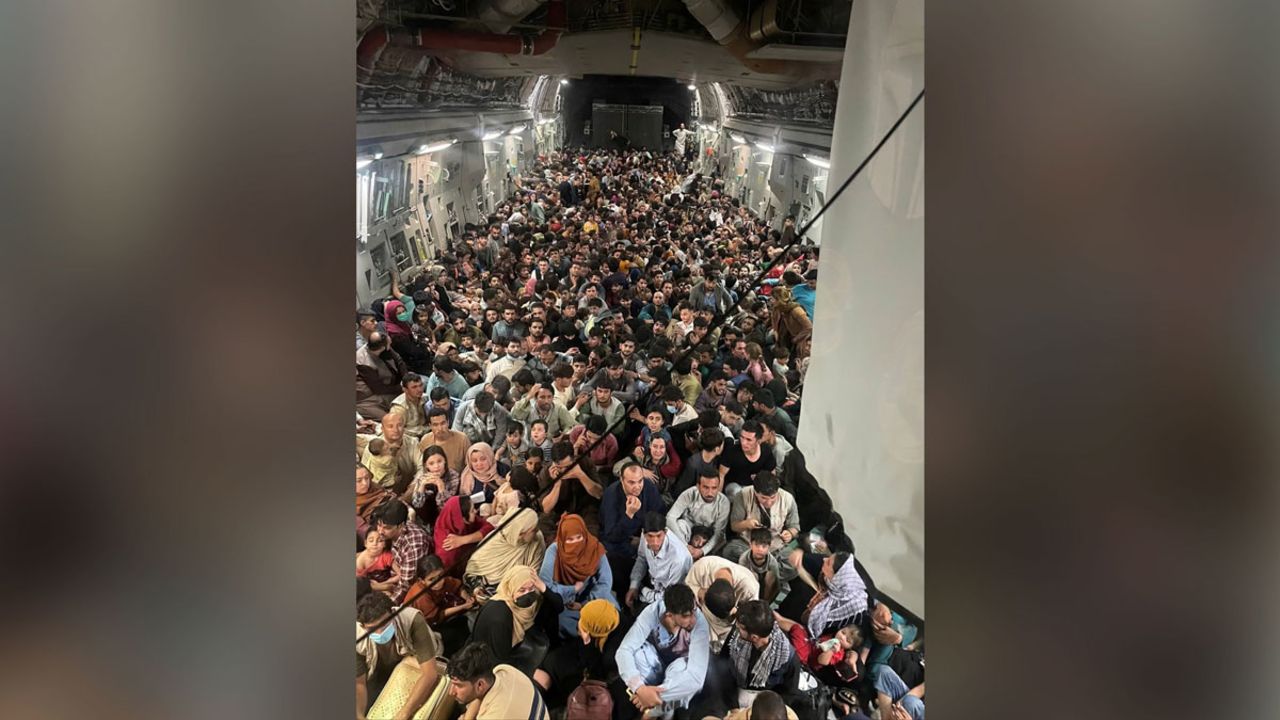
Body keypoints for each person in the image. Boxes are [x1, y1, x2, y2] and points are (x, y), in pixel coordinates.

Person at [615, 584, 710, 719]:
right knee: (638, 653)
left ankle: (656, 711)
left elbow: (696, 679)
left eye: (694, 611)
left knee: (683, 667)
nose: (693, 619)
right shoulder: (652, 612)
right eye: (686, 616)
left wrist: (656, 697)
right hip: (654, 666)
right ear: (670, 614)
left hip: (676, 678)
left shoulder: (699, 623)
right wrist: (639, 689)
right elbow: (624, 650)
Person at [356, 589, 442, 720]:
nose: (379, 632)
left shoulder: (411, 620)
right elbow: (359, 684)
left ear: (393, 614)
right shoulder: (356, 638)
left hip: (413, 666)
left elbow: (430, 673)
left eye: (384, 624)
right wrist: (359, 715)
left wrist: (404, 713)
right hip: (378, 671)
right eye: (372, 628)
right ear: (363, 626)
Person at [534, 598, 628, 707]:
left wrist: (586, 641)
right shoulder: (612, 618)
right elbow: (598, 617)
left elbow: (595, 673)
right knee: (549, 663)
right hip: (584, 649)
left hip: (589, 673)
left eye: (584, 627)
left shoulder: (611, 657)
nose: (579, 625)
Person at [538, 513, 617, 638]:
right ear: (563, 539)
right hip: (566, 601)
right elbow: (545, 584)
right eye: (569, 540)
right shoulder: (554, 551)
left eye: (579, 537)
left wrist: (584, 603)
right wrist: (572, 589)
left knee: (611, 612)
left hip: (592, 597)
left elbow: (605, 582)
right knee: (561, 622)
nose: (575, 543)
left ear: (584, 534)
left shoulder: (594, 548)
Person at [468, 564, 561, 664]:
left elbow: (559, 606)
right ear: (511, 588)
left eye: (531, 588)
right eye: (522, 590)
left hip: (528, 644)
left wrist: (542, 587)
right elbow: (500, 657)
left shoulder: (535, 599)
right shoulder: (500, 615)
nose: (527, 593)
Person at [600, 464, 666, 597]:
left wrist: (643, 538)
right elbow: (611, 535)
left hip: (644, 535)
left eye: (640, 481)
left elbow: (660, 513)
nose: (637, 486)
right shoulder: (611, 495)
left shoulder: (648, 487)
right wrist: (628, 515)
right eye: (631, 482)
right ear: (621, 480)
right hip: (619, 540)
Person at [723, 472, 799, 581]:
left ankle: (757, 574)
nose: (768, 502)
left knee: (795, 564)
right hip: (749, 544)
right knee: (729, 551)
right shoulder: (743, 495)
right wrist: (747, 524)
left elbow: (794, 526)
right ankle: (766, 574)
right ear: (755, 492)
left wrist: (790, 533)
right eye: (763, 498)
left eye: (773, 498)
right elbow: (734, 526)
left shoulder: (788, 498)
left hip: (775, 546)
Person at [721, 600, 797, 708]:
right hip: (732, 690)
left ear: (754, 637)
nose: (736, 628)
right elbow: (723, 662)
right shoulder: (737, 635)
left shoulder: (787, 657)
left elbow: (789, 694)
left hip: (762, 701)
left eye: (740, 628)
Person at [446, 642, 550, 720]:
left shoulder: (495, 716)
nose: (451, 692)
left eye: (458, 686)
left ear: (480, 685)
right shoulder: (504, 670)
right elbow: (479, 696)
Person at [464, 506, 546, 598]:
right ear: (519, 534)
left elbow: (533, 578)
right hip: (488, 591)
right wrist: (477, 589)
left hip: (516, 593)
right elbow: (473, 572)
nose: (538, 530)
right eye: (533, 530)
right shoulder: (493, 541)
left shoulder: (536, 541)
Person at [685, 556, 761, 652]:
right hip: (703, 613)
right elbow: (688, 585)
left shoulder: (750, 587)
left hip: (732, 623)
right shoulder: (702, 567)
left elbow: (751, 616)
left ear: (734, 592)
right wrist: (699, 592)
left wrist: (736, 613)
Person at [406, 554, 477, 656]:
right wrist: (463, 606)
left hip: (438, 617)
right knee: (457, 635)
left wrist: (467, 598)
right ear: (421, 581)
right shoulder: (420, 595)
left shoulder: (444, 581)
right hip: (423, 628)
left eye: (440, 576)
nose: (438, 582)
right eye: (431, 579)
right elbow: (437, 616)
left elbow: (456, 586)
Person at [627, 512, 693, 611]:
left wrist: (643, 591)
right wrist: (634, 586)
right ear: (643, 532)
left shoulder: (679, 558)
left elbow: (672, 594)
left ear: (665, 532)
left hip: (668, 594)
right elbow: (642, 558)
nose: (654, 542)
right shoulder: (644, 536)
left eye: (658, 536)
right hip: (652, 580)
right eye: (650, 536)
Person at [665, 468, 731, 558]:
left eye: (714, 488)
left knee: (722, 539)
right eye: (706, 487)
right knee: (679, 525)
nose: (710, 493)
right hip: (687, 532)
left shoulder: (724, 502)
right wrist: (685, 545)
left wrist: (702, 551)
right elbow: (670, 518)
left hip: (709, 534)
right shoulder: (689, 494)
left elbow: (718, 532)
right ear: (698, 486)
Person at [375, 500, 430, 603]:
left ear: (400, 526)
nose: (380, 531)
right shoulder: (392, 527)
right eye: (379, 525)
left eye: (387, 528)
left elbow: (405, 587)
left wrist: (386, 609)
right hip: (392, 575)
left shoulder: (413, 546)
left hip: (409, 589)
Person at [432, 494, 494, 573]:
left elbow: (489, 527)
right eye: (472, 511)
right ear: (461, 518)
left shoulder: (460, 519)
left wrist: (464, 540)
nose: (475, 511)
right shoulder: (447, 548)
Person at [357, 332, 408, 420]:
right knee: (390, 420)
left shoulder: (383, 346)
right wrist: (402, 388)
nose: (390, 345)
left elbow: (399, 361)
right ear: (382, 347)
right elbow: (379, 389)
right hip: (368, 398)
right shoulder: (363, 362)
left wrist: (406, 380)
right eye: (389, 344)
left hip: (391, 386)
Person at [405, 444, 461, 522]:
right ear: (426, 466)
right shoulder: (422, 477)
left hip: (448, 516)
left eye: (439, 461)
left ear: (445, 461)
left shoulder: (453, 476)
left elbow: (448, 507)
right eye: (431, 463)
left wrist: (441, 488)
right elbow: (417, 505)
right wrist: (421, 487)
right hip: (427, 517)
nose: (436, 466)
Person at [718, 420, 776, 494]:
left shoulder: (766, 450)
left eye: (749, 440)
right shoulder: (732, 451)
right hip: (734, 486)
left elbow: (772, 473)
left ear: (758, 440)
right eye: (742, 437)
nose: (744, 443)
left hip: (756, 486)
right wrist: (718, 498)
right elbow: (721, 475)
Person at [510, 382, 575, 440]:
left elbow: (570, 426)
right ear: (535, 398)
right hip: (532, 447)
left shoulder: (559, 408)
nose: (546, 401)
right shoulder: (529, 407)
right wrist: (529, 396)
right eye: (542, 397)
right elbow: (514, 415)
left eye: (549, 397)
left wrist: (562, 436)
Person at [417, 407, 470, 474]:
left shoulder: (462, 439)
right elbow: (422, 466)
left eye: (443, 423)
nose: (440, 428)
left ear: (448, 422)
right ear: (430, 426)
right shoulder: (425, 440)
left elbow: (469, 466)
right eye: (435, 425)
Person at [458, 441, 505, 516]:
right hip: (475, 517)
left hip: (501, 513)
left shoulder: (502, 470)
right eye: (474, 461)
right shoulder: (467, 475)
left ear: (489, 457)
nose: (479, 464)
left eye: (483, 459)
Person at [739, 528, 783, 606]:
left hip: (766, 587)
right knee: (753, 576)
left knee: (770, 576)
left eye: (764, 546)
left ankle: (763, 604)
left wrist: (768, 600)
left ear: (769, 547)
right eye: (756, 545)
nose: (760, 549)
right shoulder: (744, 559)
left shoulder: (772, 563)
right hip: (750, 585)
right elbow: (741, 579)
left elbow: (777, 585)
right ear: (751, 545)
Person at [356, 462, 396, 544]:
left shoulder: (374, 487)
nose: (365, 483)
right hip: (380, 536)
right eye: (359, 480)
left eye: (367, 478)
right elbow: (365, 531)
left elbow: (391, 498)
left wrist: (408, 509)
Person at [387, 372, 429, 440]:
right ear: (405, 390)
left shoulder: (425, 398)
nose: (420, 389)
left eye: (420, 385)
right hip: (408, 438)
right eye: (414, 387)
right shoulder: (399, 408)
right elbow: (395, 430)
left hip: (425, 433)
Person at [356, 527, 398, 593]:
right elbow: (362, 584)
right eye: (371, 540)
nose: (375, 544)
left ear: (384, 544)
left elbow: (400, 575)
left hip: (387, 582)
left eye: (380, 541)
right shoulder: (360, 562)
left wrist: (385, 583)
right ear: (365, 543)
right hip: (372, 588)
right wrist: (380, 587)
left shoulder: (386, 555)